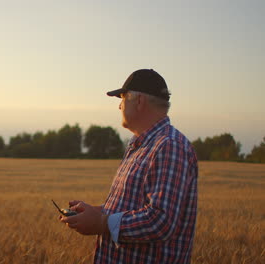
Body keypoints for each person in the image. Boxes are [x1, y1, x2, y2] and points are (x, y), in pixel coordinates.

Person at [60, 69, 198, 263]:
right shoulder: (141, 145)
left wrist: (101, 223)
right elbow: (132, 207)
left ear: (139, 101)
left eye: (122, 98)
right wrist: (96, 212)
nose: (119, 106)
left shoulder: (169, 146)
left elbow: (161, 221)